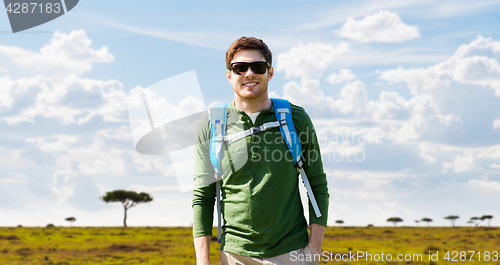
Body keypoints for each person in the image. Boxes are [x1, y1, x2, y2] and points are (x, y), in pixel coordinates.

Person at [192, 36, 329, 265]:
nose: (249, 73)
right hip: (234, 254)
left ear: (270, 73)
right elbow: (202, 197)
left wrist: (314, 251)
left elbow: (317, 185)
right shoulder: (211, 126)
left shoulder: (296, 119)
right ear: (229, 75)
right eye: (239, 68)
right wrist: (203, 261)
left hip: (292, 251)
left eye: (258, 67)